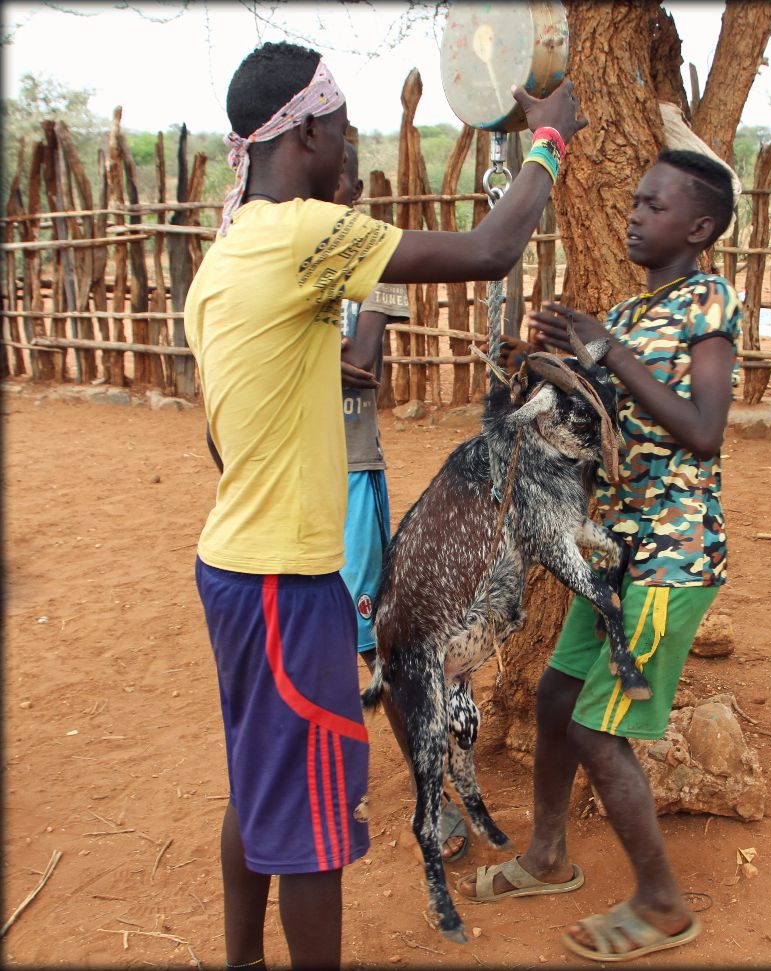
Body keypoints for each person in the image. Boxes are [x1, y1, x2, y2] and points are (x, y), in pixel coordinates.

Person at [187, 40, 583, 969]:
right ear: (308, 132)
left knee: (258, 786)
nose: (357, 133)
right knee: (313, 820)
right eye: (345, 119)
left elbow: (217, 438)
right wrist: (550, 142)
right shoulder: (300, 234)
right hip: (284, 581)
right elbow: (493, 250)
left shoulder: (224, 256)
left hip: (235, 568)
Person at [456, 148, 741, 963]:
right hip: (618, 555)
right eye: (635, 200)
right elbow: (606, 427)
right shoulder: (630, 310)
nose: (635, 213)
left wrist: (604, 349)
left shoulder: (706, 302)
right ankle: (547, 855)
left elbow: (702, 428)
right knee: (554, 696)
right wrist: (549, 366)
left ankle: (661, 902)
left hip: (669, 561)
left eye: (654, 205)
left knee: (596, 728)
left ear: (699, 227)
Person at [331, 140, 469, 863]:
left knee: (375, 642)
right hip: (301, 478)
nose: (343, 183)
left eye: (349, 174)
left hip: (351, 471)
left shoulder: (369, 258)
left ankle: (433, 796)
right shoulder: (278, 251)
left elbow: (360, 372)